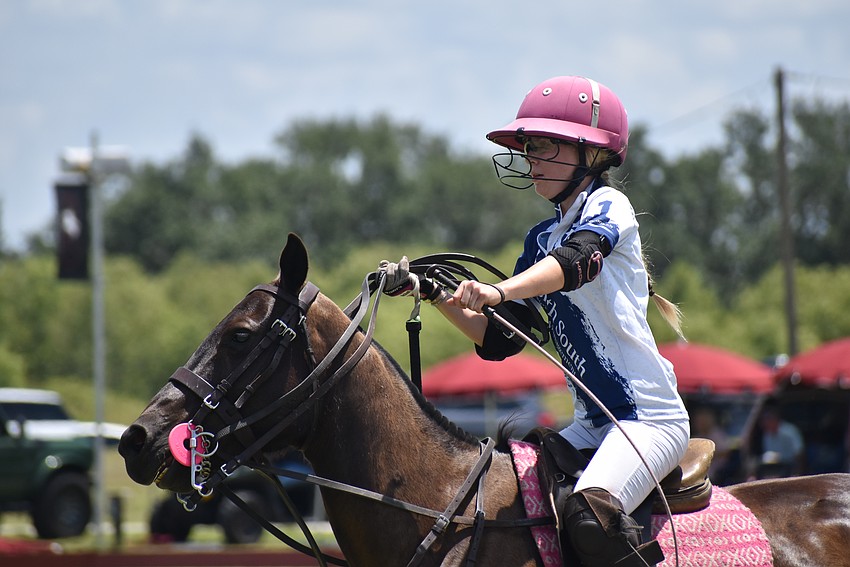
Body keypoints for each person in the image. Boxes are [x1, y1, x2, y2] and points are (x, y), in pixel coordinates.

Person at [383, 75, 689, 566]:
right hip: (591, 428)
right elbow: (502, 338)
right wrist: (433, 293)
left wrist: (499, 289)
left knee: (589, 520)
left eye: (546, 148)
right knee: (504, 497)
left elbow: (574, 264)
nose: (532, 161)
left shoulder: (609, 206)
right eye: (530, 149)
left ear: (591, 154)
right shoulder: (538, 238)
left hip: (648, 422)